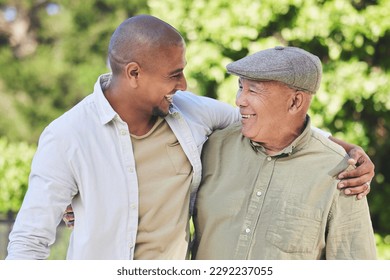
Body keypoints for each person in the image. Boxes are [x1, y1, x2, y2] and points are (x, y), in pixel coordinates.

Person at [7, 15, 373, 260]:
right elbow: (28, 241)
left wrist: (347, 151)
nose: (183, 85)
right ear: (133, 72)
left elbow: (276, 124)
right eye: (174, 74)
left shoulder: (192, 113)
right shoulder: (67, 136)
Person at [192, 46, 377, 260]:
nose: (239, 100)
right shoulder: (213, 147)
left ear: (295, 102)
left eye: (253, 90)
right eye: (240, 87)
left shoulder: (341, 173)